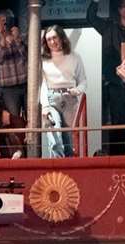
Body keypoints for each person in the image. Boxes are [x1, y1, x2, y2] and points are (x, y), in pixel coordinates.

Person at [39, 25, 85, 158]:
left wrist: (77, 90)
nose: (52, 42)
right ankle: (56, 169)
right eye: (48, 40)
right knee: (54, 137)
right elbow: (42, 84)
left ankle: (68, 172)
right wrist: (45, 106)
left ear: (61, 38)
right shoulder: (44, 59)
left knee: (68, 141)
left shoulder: (74, 57)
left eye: (54, 38)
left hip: (70, 99)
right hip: (52, 98)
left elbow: (83, 81)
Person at [0, 9, 27, 126]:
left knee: (33, 117)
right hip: (8, 89)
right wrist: (3, 42)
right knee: (14, 120)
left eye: (6, 21)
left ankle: (34, 143)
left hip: (26, 84)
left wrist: (17, 40)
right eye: (1, 22)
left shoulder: (22, 38)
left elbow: (28, 56)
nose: (4, 25)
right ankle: (18, 143)